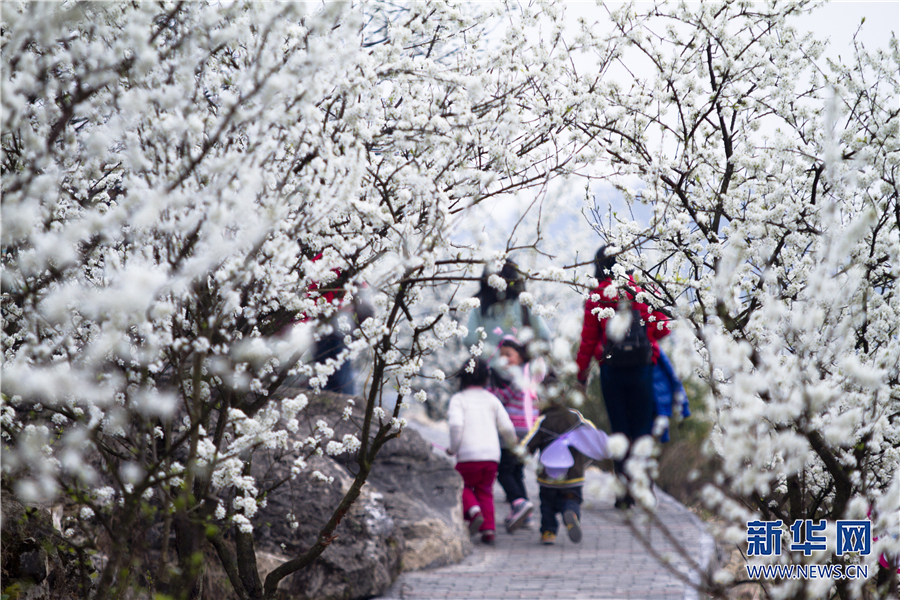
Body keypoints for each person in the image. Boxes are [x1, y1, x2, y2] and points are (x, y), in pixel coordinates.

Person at [575, 245, 672, 508]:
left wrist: (582, 374)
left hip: (612, 371)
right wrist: (646, 340)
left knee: (620, 431)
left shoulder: (597, 294)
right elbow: (663, 327)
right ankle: (645, 489)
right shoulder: (641, 289)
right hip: (642, 369)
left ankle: (623, 494)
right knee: (642, 430)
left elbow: (588, 339)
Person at [446, 357, 517, 544]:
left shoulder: (458, 399)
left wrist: (453, 449)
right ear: (487, 378)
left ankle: (474, 511)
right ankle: (489, 531)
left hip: (468, 456)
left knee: (460, 485)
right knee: (485, 491)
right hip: (492, 457)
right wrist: (513, 443)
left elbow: (455, 425)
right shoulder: (492, 400)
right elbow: (507, 428)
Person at [521, 397, 600, 545]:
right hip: (573, 476)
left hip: (548, 476)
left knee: (547, 505)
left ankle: (548, 532)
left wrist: (521, 456)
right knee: (572, 499)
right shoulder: (575, 416)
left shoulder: (543, 420)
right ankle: (571, 514)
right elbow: (592, 432)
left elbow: (528, 445)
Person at [486, 336, 539, 533]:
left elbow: (499, 398)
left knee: (504, 471)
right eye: (501, 355)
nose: (504, 359)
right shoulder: (530, 375)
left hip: (514, 430)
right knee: (516, 471)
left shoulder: (514, 376)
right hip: (529, 432)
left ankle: (518, 503)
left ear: (521, 357)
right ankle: (526, 514)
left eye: (509, 355)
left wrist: (487, 391)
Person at [464, 260, 551, 366]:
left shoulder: (478, 305)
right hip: (521, 371)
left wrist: (490, 356)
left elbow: (470, 339)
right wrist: (523, 355)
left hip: (490, 371)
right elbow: (544, 335)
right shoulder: (524, 301)